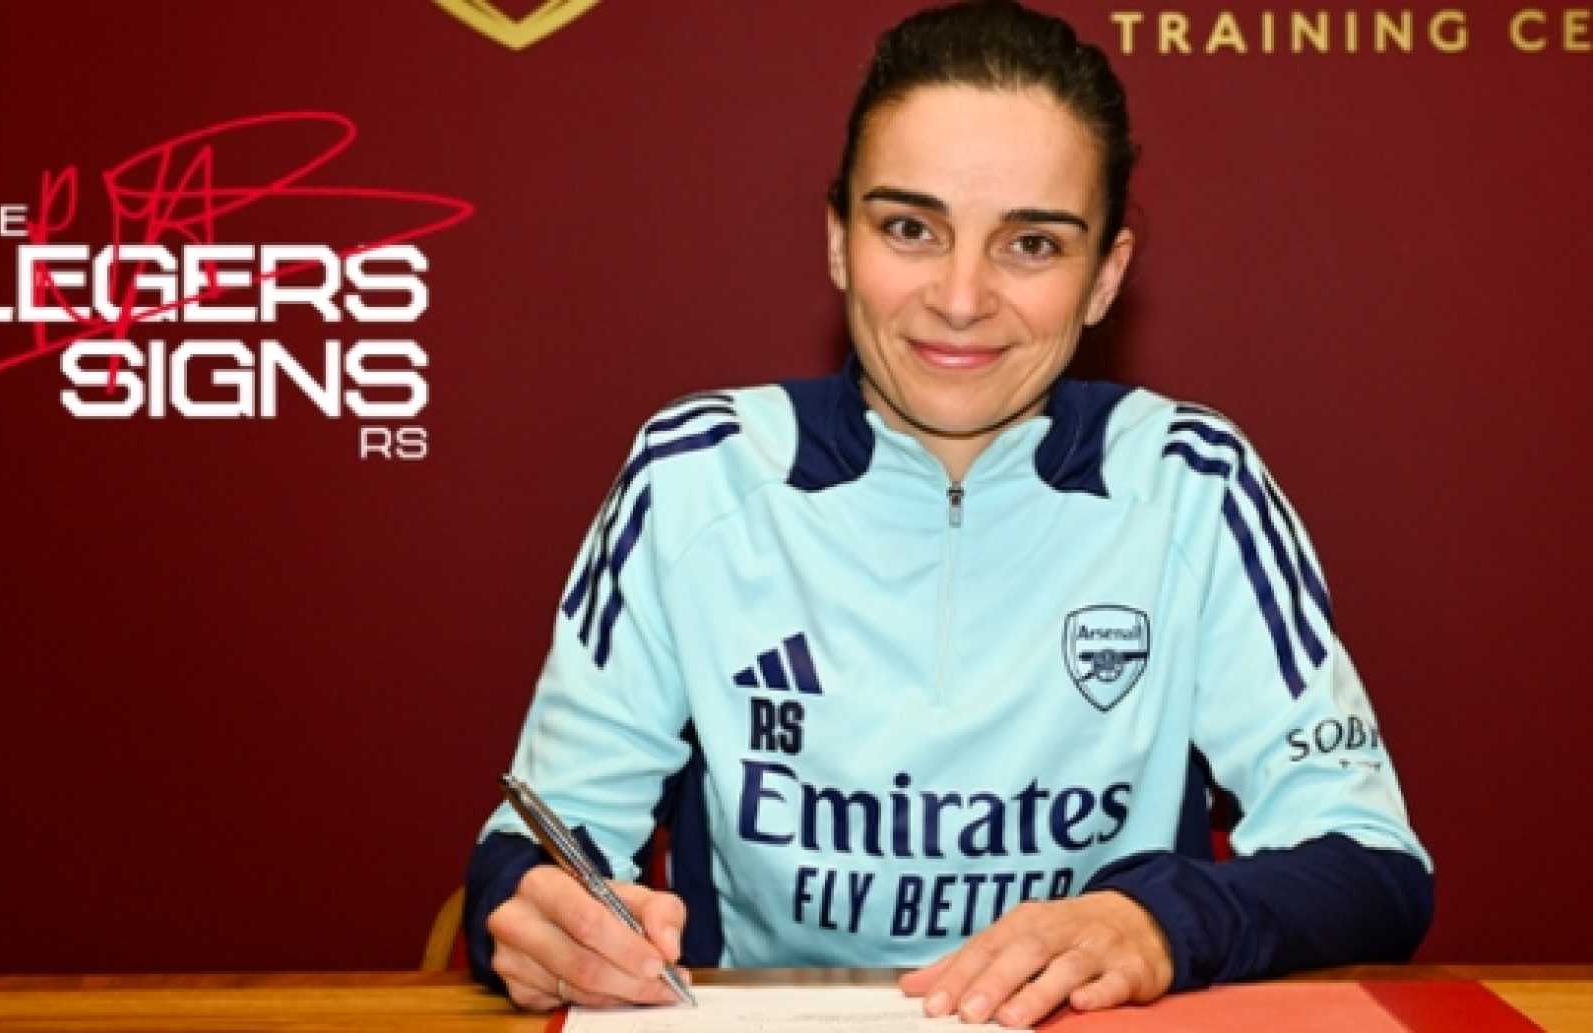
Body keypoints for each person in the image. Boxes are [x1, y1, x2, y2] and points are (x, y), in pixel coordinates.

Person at [463, 1, 1432, 1025]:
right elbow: (540, 844)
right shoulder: (695, 476)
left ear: (1105, 278)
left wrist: (1155, 922)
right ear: (839, 241)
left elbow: (1371, 861)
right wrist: (536, 914)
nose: (961, 298)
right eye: (910, 228)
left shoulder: (1193, 484)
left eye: (1032, 243)